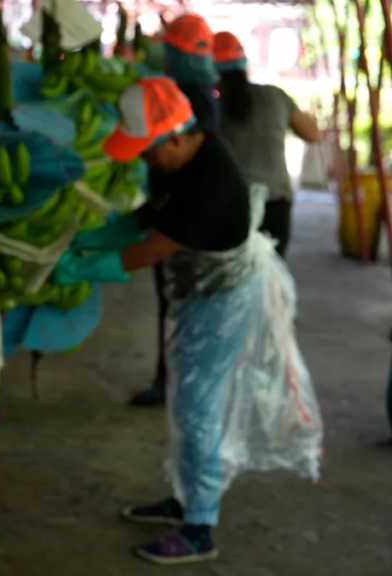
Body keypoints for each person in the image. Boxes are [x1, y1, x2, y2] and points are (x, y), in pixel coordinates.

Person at [53, 77, 322, 565]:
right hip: (199, 293)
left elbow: (153, 249)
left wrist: (86, 266)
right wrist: (99, 236)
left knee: (200, 409)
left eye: (151, 152)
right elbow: (151, 215)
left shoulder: (211, 178)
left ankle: (201, 524)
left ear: (176, 136)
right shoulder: (178, 161)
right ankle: (184, 498)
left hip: (226, 301)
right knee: (186, 401)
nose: (146, 162)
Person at [129, 13, 220, 408]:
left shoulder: (183, 102)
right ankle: (177, 379)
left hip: (182, 220)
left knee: (177, 304)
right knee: (181, 305)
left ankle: (172, 381)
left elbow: (175, 175)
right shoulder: (205, 95)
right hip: (181, 214)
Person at [214, 31, 322, 257]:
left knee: (232, 277)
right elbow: (312, 134)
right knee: (272, 275)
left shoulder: (212, 108)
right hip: (276, 201)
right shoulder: (275, 96)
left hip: (232, 205)